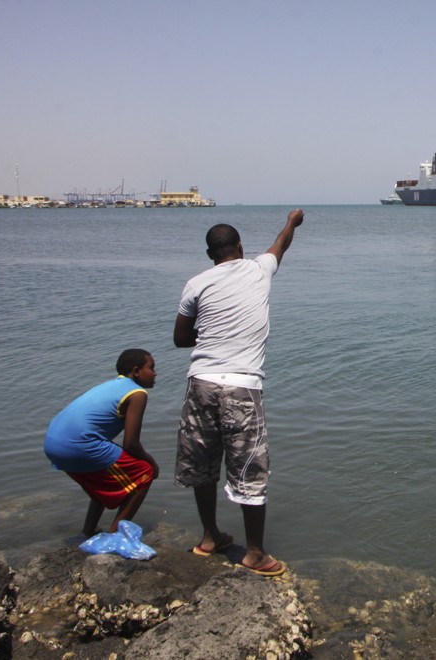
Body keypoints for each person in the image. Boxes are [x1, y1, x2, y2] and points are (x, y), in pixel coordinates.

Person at [174, 209, 304, 577]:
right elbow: (281, 243)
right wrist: (292, 220)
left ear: (210, 255)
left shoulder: (196, 284)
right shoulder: (258, 269)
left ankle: (210, 537)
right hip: (242, 386)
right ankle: (256, 554)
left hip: (200, 382)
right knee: (249, 466)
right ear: (240, 247)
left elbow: (180, 338)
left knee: (201, 463)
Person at [44, 349, 159, 536]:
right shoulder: (137, 393)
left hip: (53, 444)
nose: (155, 373)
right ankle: (116, 536)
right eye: (151, 368)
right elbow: (131, 444)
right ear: (136, 371)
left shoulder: (112, 385)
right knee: (144, 472)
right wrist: (152, 463)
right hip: (78, 445)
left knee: (102, 480)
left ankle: (89, 530)